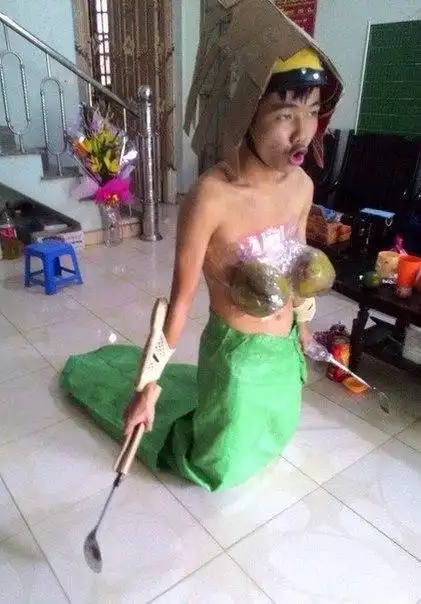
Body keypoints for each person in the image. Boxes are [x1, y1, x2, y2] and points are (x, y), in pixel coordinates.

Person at [61, 1, 343, 491]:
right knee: (218, 465)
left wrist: (303, 334)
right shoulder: (210, 197)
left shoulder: (301, 187)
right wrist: (148, 387)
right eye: (285, 113)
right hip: (235, 358)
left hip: (282, 355)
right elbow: (179, 303)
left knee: (274, 435)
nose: (303, 132)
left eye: (313, 112)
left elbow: (296, 266)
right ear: (246, 110)